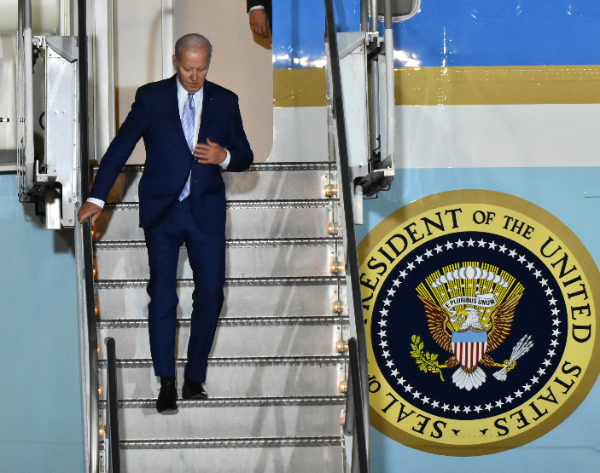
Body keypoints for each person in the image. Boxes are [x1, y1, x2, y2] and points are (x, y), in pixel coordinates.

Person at [77, 34, 253, 413]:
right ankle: (166, 382)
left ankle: (194, 378)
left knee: (210, 294)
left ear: (209, 62)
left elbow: (245, 155)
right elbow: (120, 148)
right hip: (163, 212)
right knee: (163, 296)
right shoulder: (151, 97)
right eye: (188, 67)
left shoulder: (225, 100)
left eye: (202, 68)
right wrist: (97, 197)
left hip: (205, 211)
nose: (195, 75)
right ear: (176, 62)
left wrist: (224, 157)